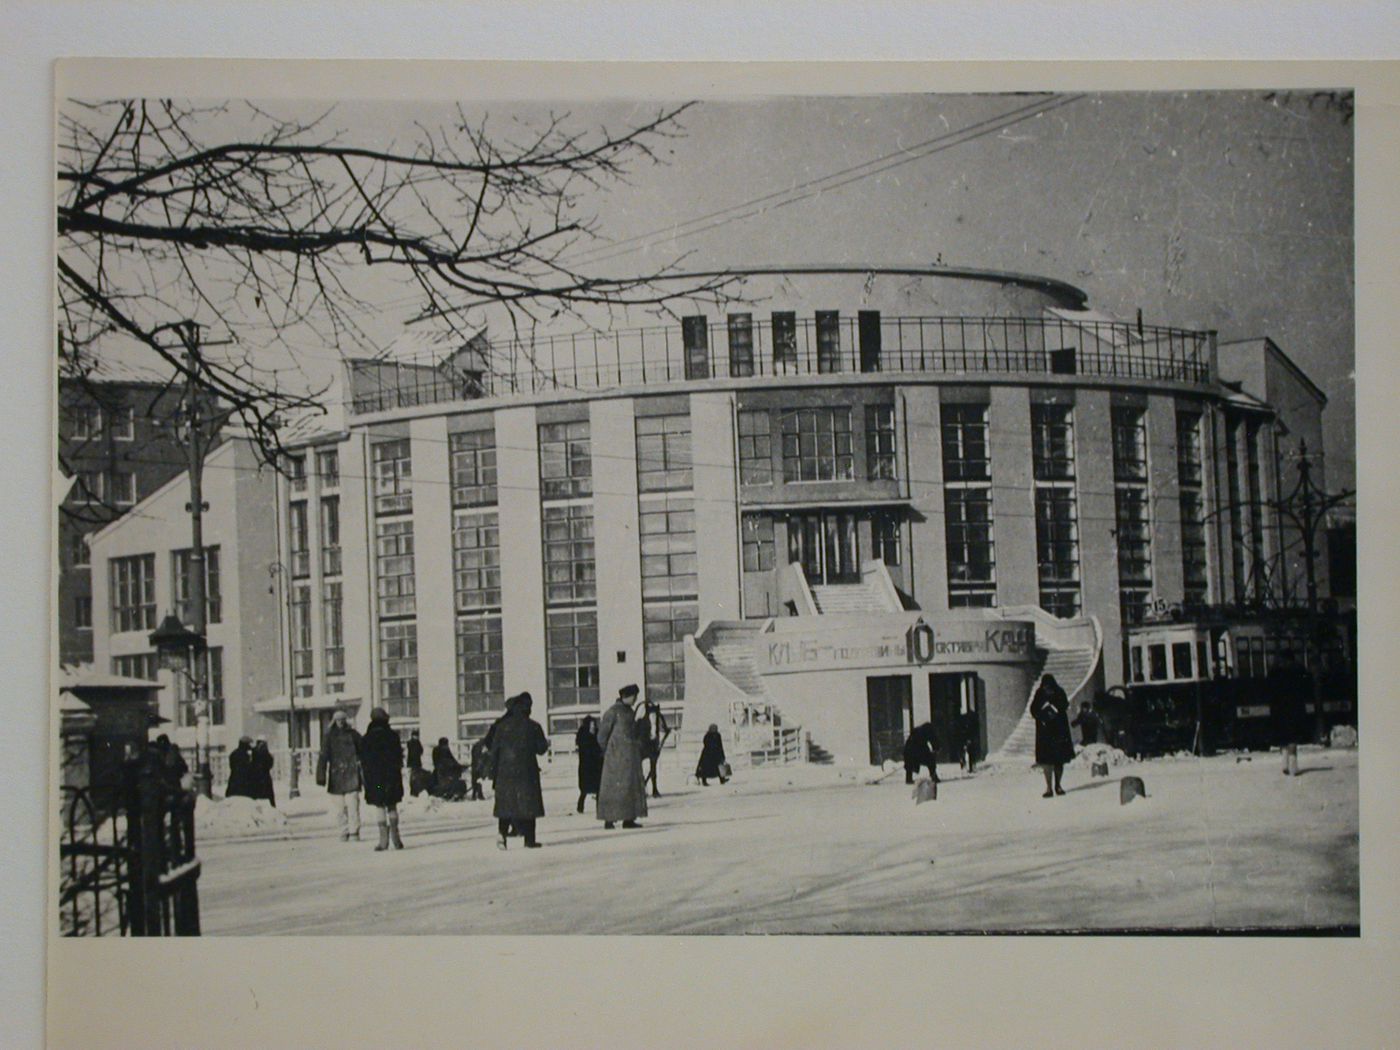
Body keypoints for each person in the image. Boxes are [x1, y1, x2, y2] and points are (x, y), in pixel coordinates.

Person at [487, 692, 549, 849]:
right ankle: (529, 840)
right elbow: (541, 749)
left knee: (506, 806)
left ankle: (502, 834)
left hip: (505, 773)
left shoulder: (502, 727)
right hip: (527, 773)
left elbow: (494, 751)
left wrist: (492, 772)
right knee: (528, 806)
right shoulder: (533, 726)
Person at [597, 684, 647, 829]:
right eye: (634, 696)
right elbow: (602, 736)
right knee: (613, 789)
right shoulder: (612, 712)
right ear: (627, 696)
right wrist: (608, 753)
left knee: (630, 788)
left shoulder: (630, 712)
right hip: (615, 760)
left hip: (630, 759)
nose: (636, 699)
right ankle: (609, 820)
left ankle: (629, 818)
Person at [359, 707, 405, 851]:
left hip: (376, 780)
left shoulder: (367, 737)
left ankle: (383, 840)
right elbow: (399, 756)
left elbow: (364, 758)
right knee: (391, 804)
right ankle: (396, 838)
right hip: (391, 778)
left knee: (379, 804)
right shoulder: (393, 736)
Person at [316, 709, 363, 839]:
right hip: (336, 774)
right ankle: (343, 830)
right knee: (339, 807)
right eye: (338, 720)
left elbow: (363, 751)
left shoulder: (354, 735)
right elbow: (323, 756)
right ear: (334, 721)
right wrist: (321, 775)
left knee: (353, 804)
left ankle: (354, 830)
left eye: (342, 720)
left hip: (352, 773)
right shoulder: (329, 737)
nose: (340, 722)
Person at [1030, 674, 1076, 798]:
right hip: (1045, 732)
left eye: (1048, 686)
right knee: (1046, 761)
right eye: (1045, 686)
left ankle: (1058, 785)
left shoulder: (1059, 692)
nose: (1046, 688)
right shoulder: (1039, 694)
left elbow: (1064, 705)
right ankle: (1049, 787)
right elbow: (1033, 709)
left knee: (1059, 760)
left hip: (1059, 731)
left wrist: (1055, 708)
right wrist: (1042, 713)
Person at [634, 696, 671, 799]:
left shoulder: (657, 718)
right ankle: (640, 789)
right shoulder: (640, 721)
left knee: (653, 766)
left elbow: (660, 725)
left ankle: (654, 788)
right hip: (641, 744)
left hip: (652, 743)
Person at [575, 714, 603, 813]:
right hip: (586, 765)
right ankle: (580, 806)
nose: (593, 726)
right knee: (584, 790)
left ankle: (599, 807)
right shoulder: (583, 733)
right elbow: (582, 746)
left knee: (598, 787)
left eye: (593, 724)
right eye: (591, 724)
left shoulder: (596, 733)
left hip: (595, 765)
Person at [430, 737, 468, 801]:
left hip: (447, 768)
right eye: (446, 744)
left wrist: (458, 765)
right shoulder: (437, 750)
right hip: (441, 769)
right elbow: (437, 760)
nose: (446, 746)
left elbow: (451, 758)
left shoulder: (445, 749)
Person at [469, 726, 493, 801]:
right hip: (480, 762)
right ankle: (477, 794)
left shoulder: (478, 744)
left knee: (476, 776)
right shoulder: (484, 745)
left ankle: (476, 794)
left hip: (477, 762)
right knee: (478, 776)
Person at [250, 738, 276, 807]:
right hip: (263, 777)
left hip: (257, 777)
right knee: (268, 795)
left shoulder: (254, 752)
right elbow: (270, 763)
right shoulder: (263, 753)